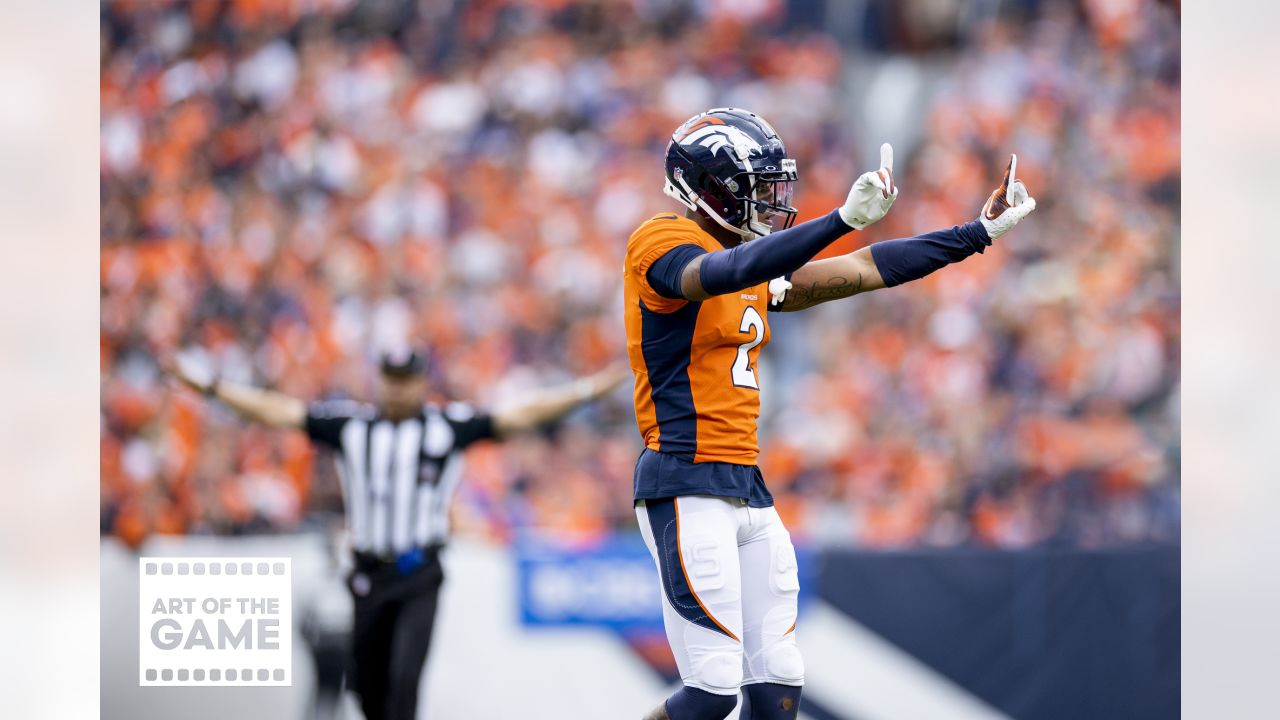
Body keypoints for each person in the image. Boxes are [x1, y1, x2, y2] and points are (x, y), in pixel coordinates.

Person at [623, 107, 1036, 720]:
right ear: (711, 190)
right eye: (758, 191)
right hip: (685, 478)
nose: (770, 204)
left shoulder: (750, 262)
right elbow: (718, 273)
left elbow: (865, 269)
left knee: (780, 682)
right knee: (710, 693)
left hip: (745, 482)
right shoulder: (662, 241)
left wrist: (975, 234)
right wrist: (839, 220)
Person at [170, 350, 626, 720]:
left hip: (419, 573)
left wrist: (587, 389)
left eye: (405, 379)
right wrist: (212, 389)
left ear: (420, 383)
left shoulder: (445, 428)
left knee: (404, 685)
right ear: (380, 381)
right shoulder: (351, 427)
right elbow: (279, 411)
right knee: (368, 692)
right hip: (367, 574)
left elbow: (519, 415)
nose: (397, 388)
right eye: (390, 378)